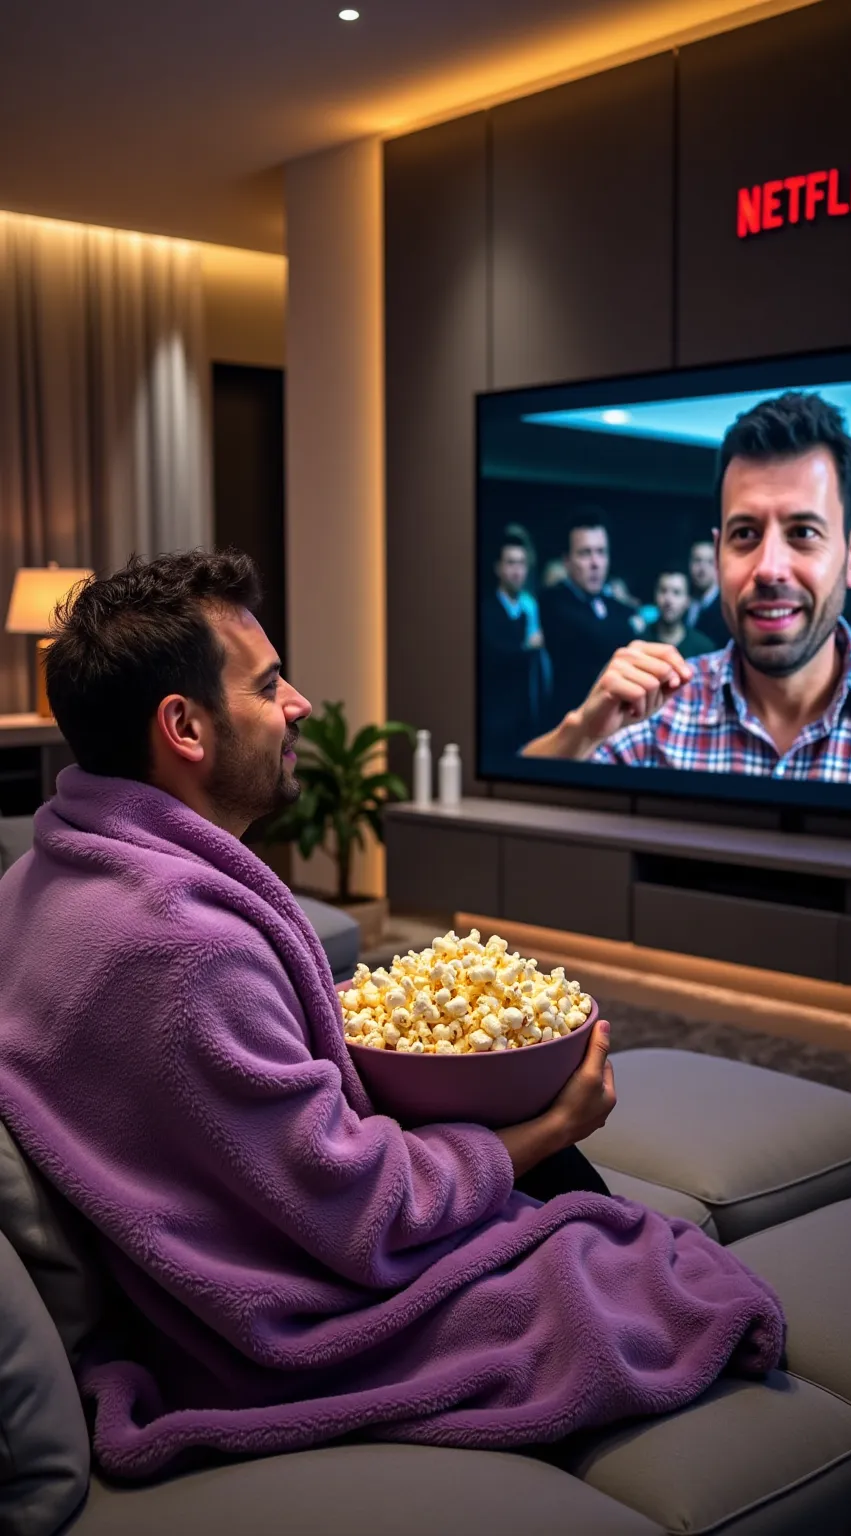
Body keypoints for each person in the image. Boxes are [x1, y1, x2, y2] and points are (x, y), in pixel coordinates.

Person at [0, 550, 783, 1480]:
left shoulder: (40, 875)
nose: (299, 705)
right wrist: (545, 1129)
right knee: (654, 1278)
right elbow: (363, 1209)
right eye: (268, 684)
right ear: (184, 727)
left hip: (192, 1245)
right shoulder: (183, 948)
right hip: (266, 1324)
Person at [522, 392, 851, 781]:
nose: (769, 569)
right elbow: (512, 810)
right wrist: (583, 732)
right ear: (719, 553)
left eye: (803, 532)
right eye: (746, 534)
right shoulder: (656, 714)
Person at [540, 516, 634, 726]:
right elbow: (596, 635)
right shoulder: (552, 601)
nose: (595, 563)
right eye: (585, 553)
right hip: (570, 725)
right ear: (566, 561)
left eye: (601, 552)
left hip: (614, 725)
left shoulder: (613, 605)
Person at [481, 532, 549, 757]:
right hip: (495, 720)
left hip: (526, 720)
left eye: (521, 563)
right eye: (510, 563)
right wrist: (526, 649)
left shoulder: (530, 610)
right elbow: (493, 656)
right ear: (498, 568)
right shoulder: (487, 611)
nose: (517, 570)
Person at [642, 572, 716, 660]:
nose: (668, 600)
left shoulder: (703, 648)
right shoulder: (641, 644)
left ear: (687, 601)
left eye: (676, 593)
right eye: (663, 591)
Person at [687, 538, 729, 647]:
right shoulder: (685, 603)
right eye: (697, 560)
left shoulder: (726, 607)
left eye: (710, 562)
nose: (702, 568)